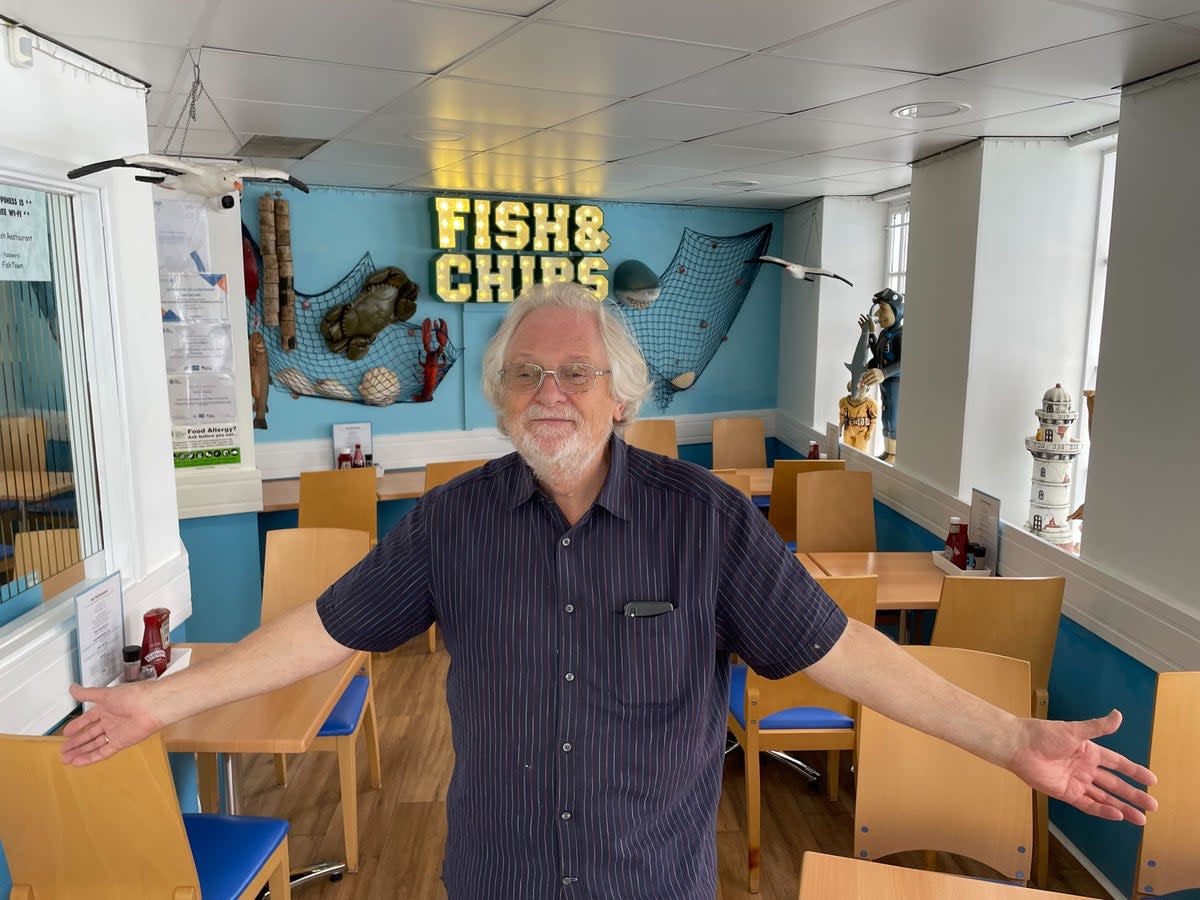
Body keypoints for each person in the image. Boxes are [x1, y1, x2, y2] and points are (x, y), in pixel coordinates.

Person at [63, 282, 1155, 899]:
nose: (551, 393)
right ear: (499, 400)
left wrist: (1010, 739)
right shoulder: (451, 524)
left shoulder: (712, 525)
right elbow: (322, 632)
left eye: (575, 372)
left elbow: (843, 652)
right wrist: (153, 703)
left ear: (619, 395)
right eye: (527, 375)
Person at [859, 288, 903, 463]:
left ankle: (894, 453)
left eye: (883, 309)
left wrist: (884, 372)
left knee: (893, 414)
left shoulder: (900, 336)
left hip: (894, 382)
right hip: (884, 382)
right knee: (885, 415)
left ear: (896, 310)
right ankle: (887, 451)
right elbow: (878, 355)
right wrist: (871, 334)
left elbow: (904, 362)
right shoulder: (885, 334)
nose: (878, 314)